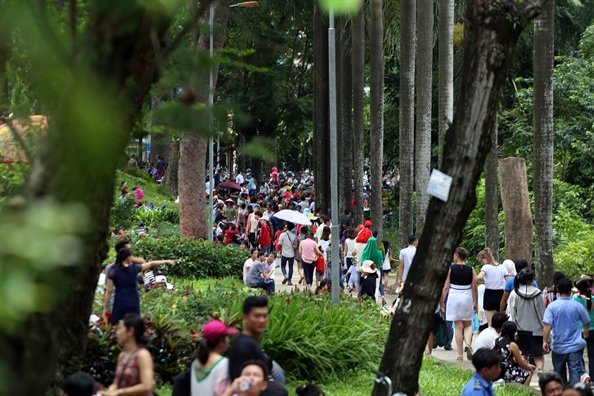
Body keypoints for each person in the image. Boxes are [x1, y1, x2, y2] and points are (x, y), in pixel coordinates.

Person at [103, 248, 175, 324]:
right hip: (133, 300)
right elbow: (151, 263)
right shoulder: (134, 268)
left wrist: (105, 307)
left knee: (118, 324)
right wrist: (167, 261)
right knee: (133, 324)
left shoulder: (112, 271)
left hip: (119, 301)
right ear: (128, 258)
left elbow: (109, 290)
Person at [543, 278, 591, 384]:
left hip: (558, 346)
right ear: (570, 291)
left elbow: (547, 326)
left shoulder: (552, 306)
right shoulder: (577, 305)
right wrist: (585, 331)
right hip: (575, 346)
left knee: (559, 375)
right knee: (575, 374)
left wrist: (545, 341)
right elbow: (586, 321)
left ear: (558, 292)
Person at [172, 320, 237, 396]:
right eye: (227, 336)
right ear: (221, 342)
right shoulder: (223, 364)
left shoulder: (196, 362)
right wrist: (233, 389)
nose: (228, 340)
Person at [102, 314, 155, 396]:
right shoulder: (122, 356)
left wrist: (119, 392)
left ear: (130, 331)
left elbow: (147, 386)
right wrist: (111, 391)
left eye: (120, 328)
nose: (117, 332)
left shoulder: (143, 355)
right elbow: (116, 383)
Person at [506, 268, 546, 376]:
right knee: (538, 354)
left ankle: (526, 372)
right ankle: (540, 370)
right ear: (532, 280)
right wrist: (544, 329)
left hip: (520, 330)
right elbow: (541, 313)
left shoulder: (515, 293)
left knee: (523, 354)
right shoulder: (538, 293)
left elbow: (511, 311)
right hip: (536, 330)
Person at [442, 247, 478, 361]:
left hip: (454, 295)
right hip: (466, 296)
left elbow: (446, 286)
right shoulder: (471, 269)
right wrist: (476, 302)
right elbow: (474, 288)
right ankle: (468, 344)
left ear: (457, 256)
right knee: (468, 324)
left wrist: (442, 302)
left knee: (458, 326)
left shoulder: (451, 269)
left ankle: (460, 355)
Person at [228, 297, 269, 381]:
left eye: (265, 316)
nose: (262, 320)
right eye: (257, 316)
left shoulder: (245, 341)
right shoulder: (246, 346)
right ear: (245, 318)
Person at [475, 248, 508, 326]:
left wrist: (475, 279)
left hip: (489, 294)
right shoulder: (502, 267)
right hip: (500, 294)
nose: (482, 263)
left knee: (490, 323)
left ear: (485, 258)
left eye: (481, 261)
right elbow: (508, 280)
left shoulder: (485, 267)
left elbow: (479, 277)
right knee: (502, 321)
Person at [572, 278, 594, 378]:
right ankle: (593, 379)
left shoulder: (575, 298)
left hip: (579, 330)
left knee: (578, 356)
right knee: (592, 357)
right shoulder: (592, 298)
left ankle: (582, 375)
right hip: (592, 330)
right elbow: (588, 298)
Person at [361, 236, 384, 303]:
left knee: (366, 286)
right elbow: (381, 261)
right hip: (376, 271)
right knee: (376, 288)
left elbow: (363, 262)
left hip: (366, 271)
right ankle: (375, 302)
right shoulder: (379, 253)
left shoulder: (365, 252)